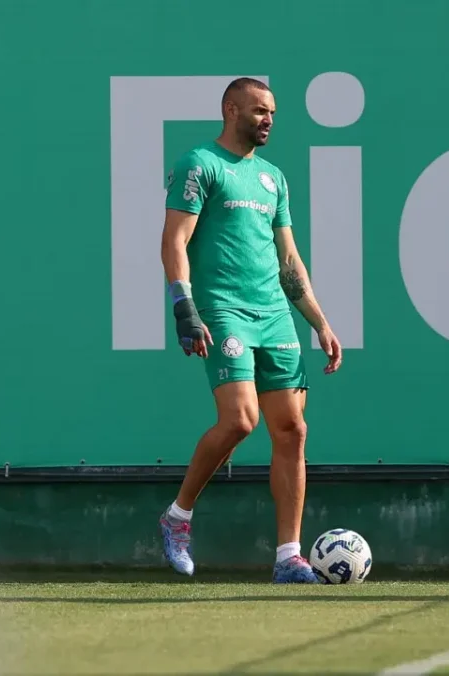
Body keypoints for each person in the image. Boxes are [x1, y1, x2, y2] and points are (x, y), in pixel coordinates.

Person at [158, 77, 343, 583]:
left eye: (273, 113)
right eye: (259, 110)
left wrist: (320, 322)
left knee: (293, 430)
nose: (268, 120)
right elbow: (175, 240)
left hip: (275, 314)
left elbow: (289, 261)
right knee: (241, 421)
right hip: (223, 310)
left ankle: (289, 557)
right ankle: (178, 517)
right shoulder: (199, 164)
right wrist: (184, 307)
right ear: (231, 108)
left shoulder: (273, 179)